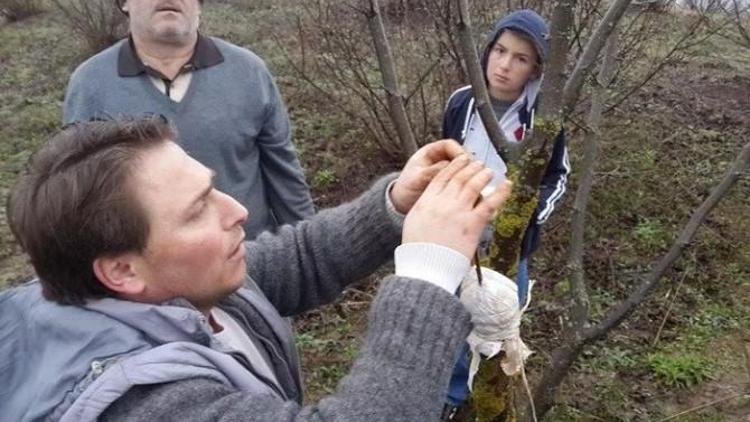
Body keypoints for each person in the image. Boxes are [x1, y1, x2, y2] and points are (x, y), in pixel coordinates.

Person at [1, 116, 512, 421]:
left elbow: (296, 261)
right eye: (198, 208)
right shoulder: (140, 405)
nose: (238, 211)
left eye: (212, 186)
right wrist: (427, 273)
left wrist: (396, 205)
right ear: (122, 271)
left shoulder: (174, 285)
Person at [63, 0, 314, 239]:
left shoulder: (248, 72)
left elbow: (285, 179)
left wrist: (310, 256)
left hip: (247, 263)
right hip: (148, 274)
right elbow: (82, 198)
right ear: (124, 3)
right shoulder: (90, 84)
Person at [440, 9, 570, 415]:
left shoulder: (541, 120)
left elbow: (557, 176)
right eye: (500, 50)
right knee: (448, 313)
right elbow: (446, 157)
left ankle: (486, 390)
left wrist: (525, 220)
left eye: (520, 58)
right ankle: (448, 396)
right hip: (458, 232)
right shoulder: (463, 102)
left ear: (535, 69)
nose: (504, 65)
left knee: (494, 322)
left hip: (507, 242)